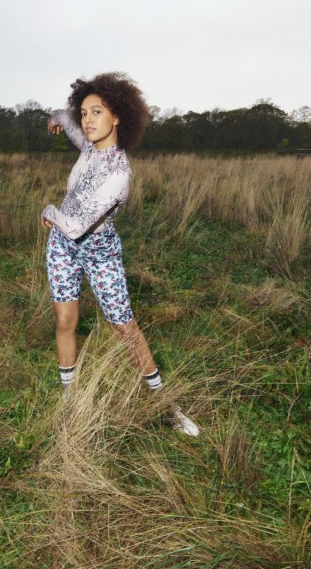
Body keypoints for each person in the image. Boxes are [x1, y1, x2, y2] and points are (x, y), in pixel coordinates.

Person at [41, 72, 199, 436]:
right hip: (62, 248)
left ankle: (166, 406)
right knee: (65, 320)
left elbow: (76, 226)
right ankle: (70, 399)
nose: (88, 120)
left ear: (117, 117)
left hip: (99, 252)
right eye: (84, 113)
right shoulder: (87, 146)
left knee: (124, 328)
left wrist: (49, 210)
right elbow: (62, 116)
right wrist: (56, 118)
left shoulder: (118, 173)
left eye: (97, 112)